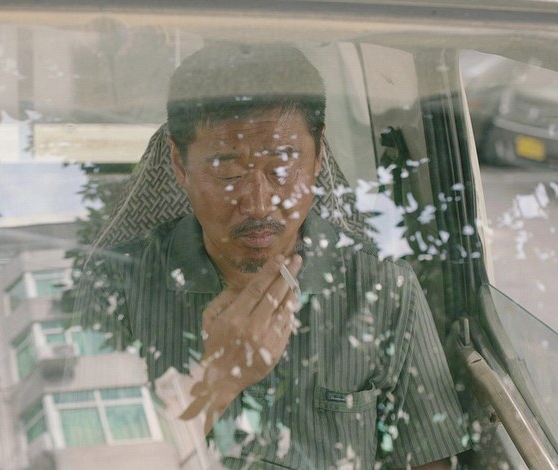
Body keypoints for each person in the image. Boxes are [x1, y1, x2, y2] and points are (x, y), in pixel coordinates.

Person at [75, 42, 469, 469]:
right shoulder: (115, 284)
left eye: (282, 164)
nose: (259, 204)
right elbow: (91, 460)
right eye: (227, 168)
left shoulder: (385, 290)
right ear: (180, 164)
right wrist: (217, 378)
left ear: (318, 155)